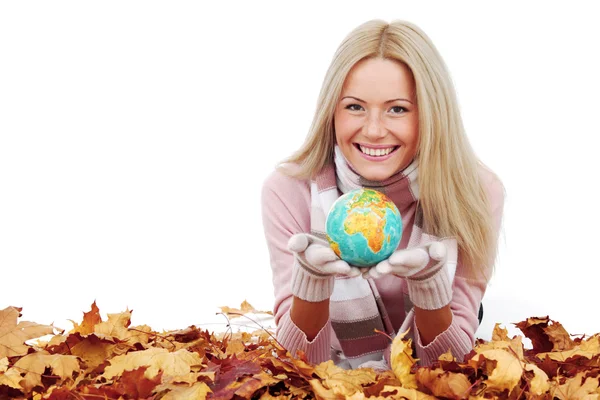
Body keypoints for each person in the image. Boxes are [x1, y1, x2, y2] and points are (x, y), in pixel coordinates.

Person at [260, 19, 505, 370]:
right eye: (355, 106)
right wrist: (312, 287)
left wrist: (431, 290)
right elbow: (294, 363)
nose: (374, 130)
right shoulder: (289, 189)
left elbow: (453, 368)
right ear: (332, 111)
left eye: (398, 109)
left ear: (432, 115)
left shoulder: (476, 191)